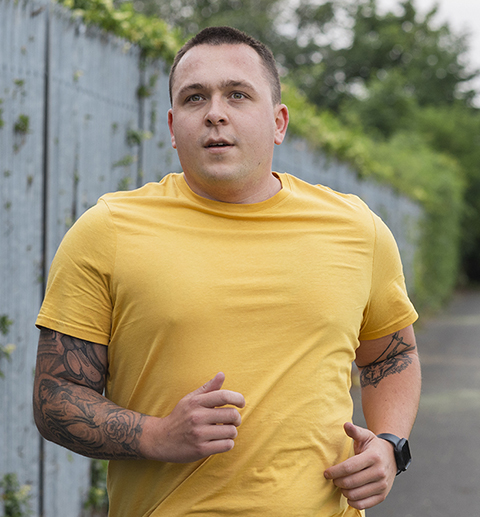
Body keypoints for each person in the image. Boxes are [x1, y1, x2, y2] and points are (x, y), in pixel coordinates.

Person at [33, 26, 421, 517]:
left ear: (278, 122)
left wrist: (389, 445)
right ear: (173, 128)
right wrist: (157, 435)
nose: (216, 111)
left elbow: (392, 354)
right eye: (195, 98)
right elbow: (55, 396)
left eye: (238, 95)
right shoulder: (108, 230)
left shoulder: (356, 228)